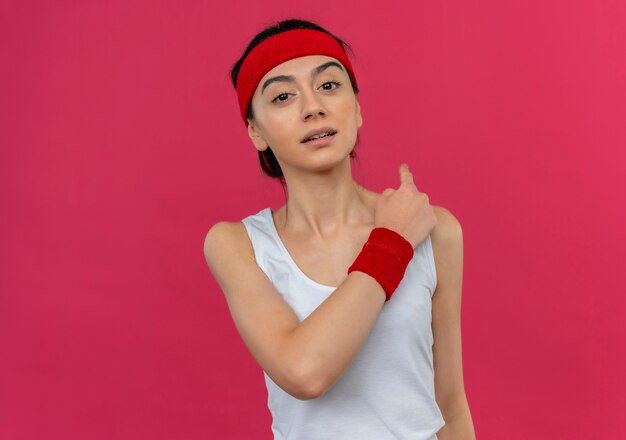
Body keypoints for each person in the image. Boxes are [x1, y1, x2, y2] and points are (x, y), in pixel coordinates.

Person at [204, 18, 475, 440]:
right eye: (282, 96)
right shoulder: (238, 245)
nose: (312, 106)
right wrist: (393, 242)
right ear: (255, 131)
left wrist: (405, 236)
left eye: (329, 85)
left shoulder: (436, 231)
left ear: (358, 107)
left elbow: (450, 406)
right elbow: (305, 372)